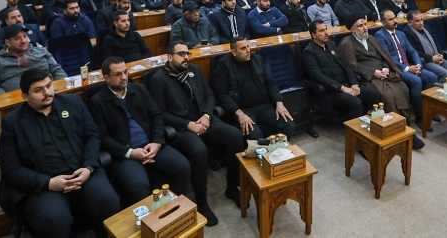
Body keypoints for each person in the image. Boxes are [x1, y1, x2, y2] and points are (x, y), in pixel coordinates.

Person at [0, 68, 119, 238]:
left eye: (49, 85)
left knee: (107, 201)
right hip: (46, 183)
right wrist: (48, 183)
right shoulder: (12, 123)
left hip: (82, 171)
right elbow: (10, 170)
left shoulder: (73, 102)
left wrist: (88, 167)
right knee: (53, 219)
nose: (47, 92)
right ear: (25, 96)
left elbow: (92, 136)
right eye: (38, 90)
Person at [149, 41, 244, 216]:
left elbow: (209, 95)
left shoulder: (195, 70)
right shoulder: (158, 80)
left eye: (187, 54)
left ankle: (232, 187)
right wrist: (189, 125)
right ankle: (202, 203)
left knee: (236, 136)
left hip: (204, 119)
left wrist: (207, 115)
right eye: (181, 54)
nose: (186, 57)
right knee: (199, 151)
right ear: (169, 57)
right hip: (182, 128)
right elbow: (160, 114)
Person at [88, 58, 192, 216]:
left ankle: (175, 212)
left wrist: (156, 142)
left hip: (151, 145)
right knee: (138, 186)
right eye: (118, 74)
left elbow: (156, 116)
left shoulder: (139, 89)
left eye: (125, 72)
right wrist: (130, 153)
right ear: (106, 78)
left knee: (183, 166)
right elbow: (102, 138)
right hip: (125, 154)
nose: (124, 77)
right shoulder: (97, 101)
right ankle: (150, 221)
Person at [337, 14, 424, 149]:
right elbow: (351, 65)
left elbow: (384, 56)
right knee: (387, 96)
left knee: (402, 89)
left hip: (384, 74)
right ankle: (398, 131)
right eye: (360, 26)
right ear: (353, 30)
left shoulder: (371, 38)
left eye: (365, 24)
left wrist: (385, 68)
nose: (364, 28)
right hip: (368, 78)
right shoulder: (347, 43)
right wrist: (373, 72)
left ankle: (404, 127)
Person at [213, 37, 295, 140]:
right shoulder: (224, 64)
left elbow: (270, 83)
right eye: (243, 48)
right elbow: (222, 94)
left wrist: (279, 103)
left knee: (288, 125)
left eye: (248, 46)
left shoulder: (257, 59)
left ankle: (279, 149)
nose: (248, 51)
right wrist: (239, 114)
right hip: (242, 110)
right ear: (234, 52)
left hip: (264, 106)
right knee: (254, 136)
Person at [302, 20, 382, 119]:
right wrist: (342, 88)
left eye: (326, 29)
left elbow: (346, 65)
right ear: (313, 35)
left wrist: (354, 84)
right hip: (332, 91)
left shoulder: (331, 45)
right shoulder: (309, 52)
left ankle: (374, 123)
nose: (326, 33)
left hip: (347, 84)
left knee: (375, 95)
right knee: (355, 103)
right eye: (322, 31)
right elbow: (318, 76)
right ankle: (356, 128)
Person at [375, 10, 439, 129]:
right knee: (416, 81)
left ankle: (429, 111)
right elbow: (388, 58)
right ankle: (420, 117)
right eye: (390, 19)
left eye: (394, 18)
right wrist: (408, 68)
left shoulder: (401, 34)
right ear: (383, 22)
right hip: (396, 69)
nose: (395, 21)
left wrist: (418, 65)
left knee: (432, 77)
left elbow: (412, 51)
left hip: (409, 66)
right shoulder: (380, 36)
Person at [0, 24, 67, 108]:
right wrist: (7, 100)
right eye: (17, 38)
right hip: (17, 105)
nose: (23, 41)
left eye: (25, 36)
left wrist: (61, 89)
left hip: (50, 96)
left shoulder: (42, 52)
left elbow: (57, 70)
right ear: (8, 42)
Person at [403, 10, 447, 82]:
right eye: (417, 21)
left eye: (421, 20)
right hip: (425, 61)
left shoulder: (425, 28)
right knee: (445, 73)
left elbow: (435, 43)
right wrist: (432, 58)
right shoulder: (406, 33)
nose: (421, 23)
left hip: (436, 57)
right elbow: (414, 52)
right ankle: (440, 89)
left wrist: (440, 54)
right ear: (410, 22)